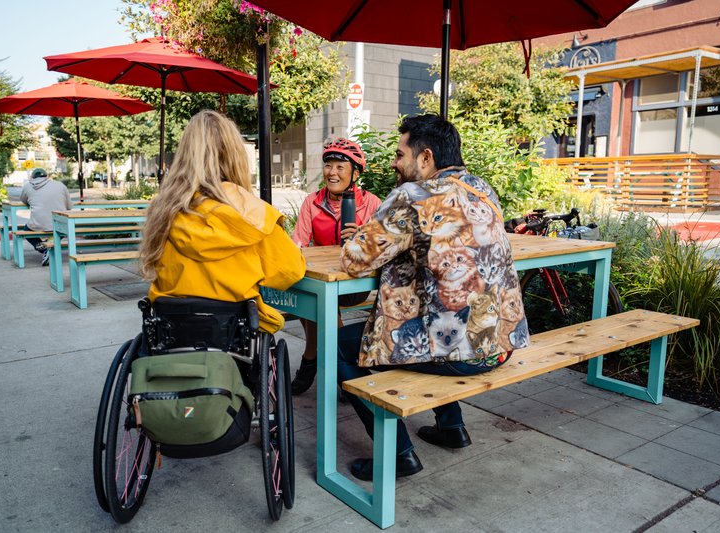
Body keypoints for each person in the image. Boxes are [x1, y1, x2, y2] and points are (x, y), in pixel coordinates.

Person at [337, 114, 529, 481]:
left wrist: (360, 237)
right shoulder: (482, 189)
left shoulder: (414, 195)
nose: (394, 163)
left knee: (340, 347)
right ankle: (451, 427)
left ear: (425, 158)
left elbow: (354, 260)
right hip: (502, 343)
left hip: (461, 353)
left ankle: (396, 455)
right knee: (439, 317)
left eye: (399, 154)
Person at [138, 110, 306, 335]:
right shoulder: (251, 213)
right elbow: (291, 271)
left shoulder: (163, 210)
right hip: (232, 331)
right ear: (235, 155)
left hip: (171, 331)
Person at [290, 137, 381, 395]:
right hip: (322, 281)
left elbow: (384, 246)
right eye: (329, 165)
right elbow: (299, 242)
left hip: (355, 282)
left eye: (341, 167)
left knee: (319, 303)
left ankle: (312, 359)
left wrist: (363, 237)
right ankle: (339, 368)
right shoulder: (312, 201)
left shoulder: (372, 204)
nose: (332, 172)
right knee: (315, 297)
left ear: (355, 173)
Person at [20, 167, 72, 266]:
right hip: (59, 224)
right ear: (47, 177)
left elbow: (23, 200)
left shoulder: (27, 186)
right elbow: (69, 207)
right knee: (64, 226)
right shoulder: (60, 185)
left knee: (26, 230)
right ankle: (50, 246)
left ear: (32, 177)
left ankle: (44, 249)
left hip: (38, 223)